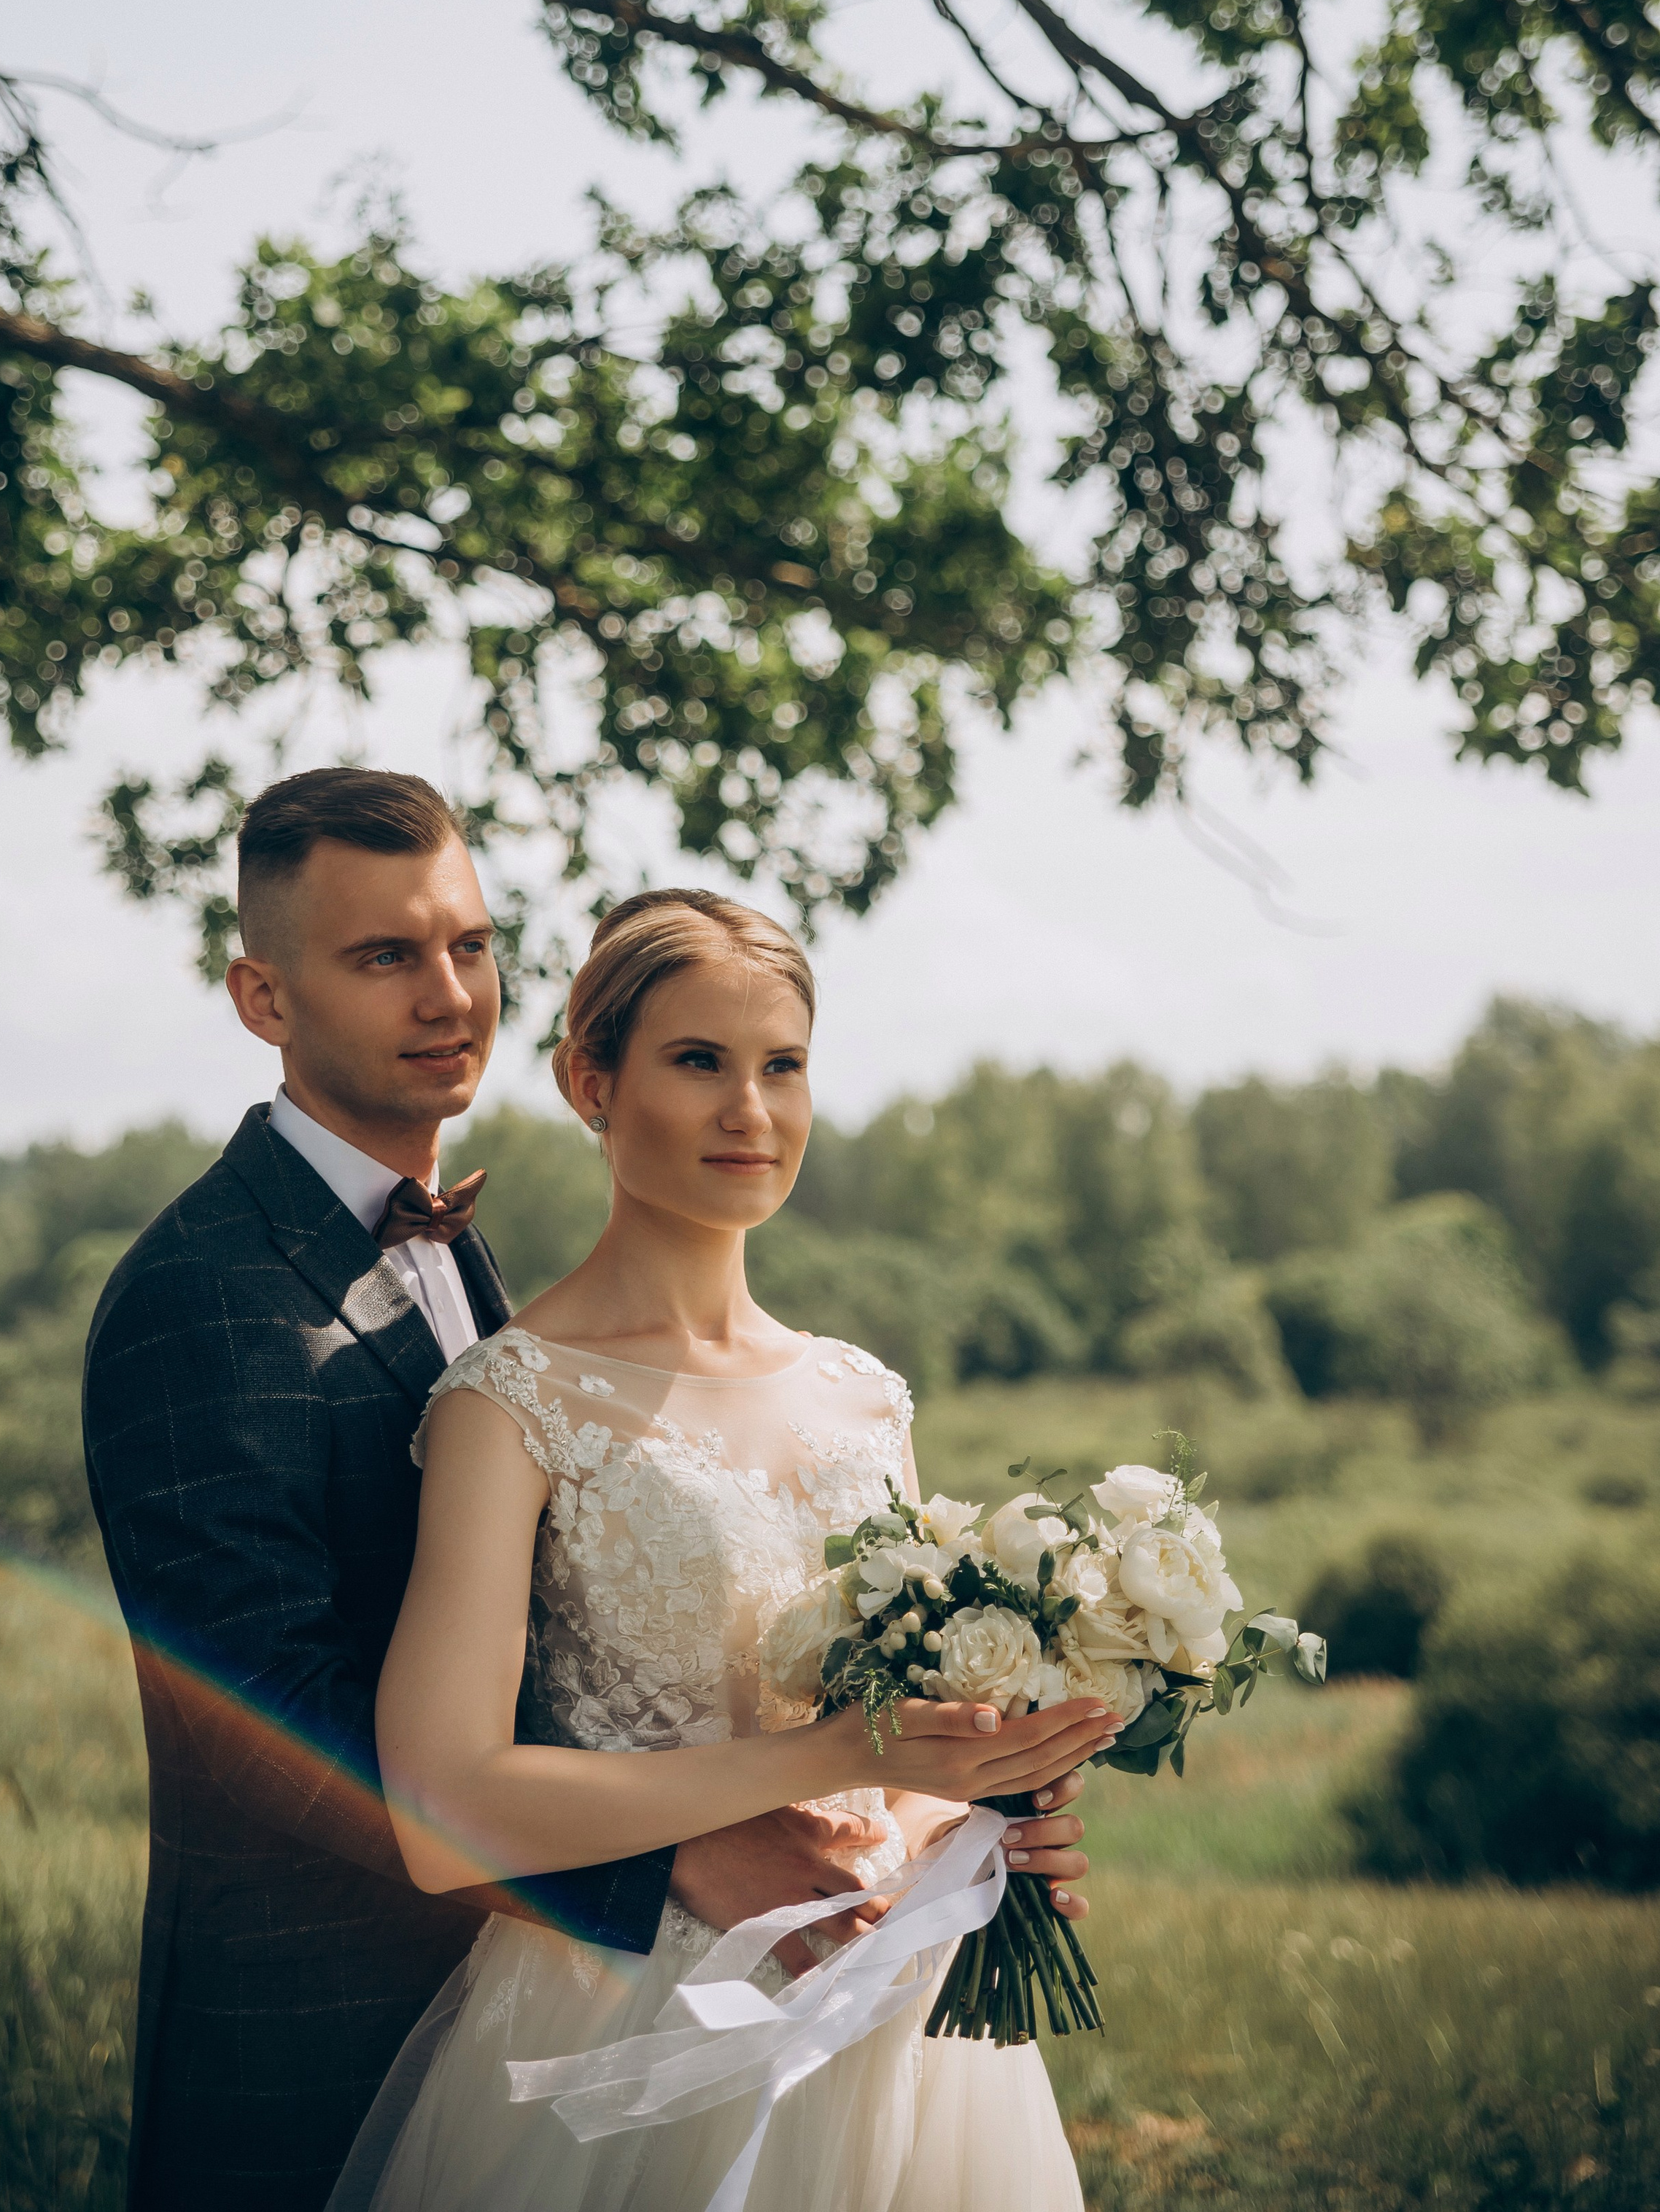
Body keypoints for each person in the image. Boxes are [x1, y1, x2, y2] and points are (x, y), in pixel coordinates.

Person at [84, 771, 1085, 2212]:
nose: (446, 996)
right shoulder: (204, 1294)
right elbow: (258, 1716)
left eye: (470, 946)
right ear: (262, 997)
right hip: (345, 2016)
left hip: (810, 1978)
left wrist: (966, 1822)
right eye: (383, 957)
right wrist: (667, 1857)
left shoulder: (477, 1274)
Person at [332, 885, 1107, 2212]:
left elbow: (907, 1743)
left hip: (893, 2015)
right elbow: (442, 1811)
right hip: (630, 2024)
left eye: (783, 1066)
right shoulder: (509, 1406)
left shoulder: (865, 1395)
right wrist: (835, 1760)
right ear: (592, 1080)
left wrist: (970, 1821)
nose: (751, 1111)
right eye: (700, 1062)